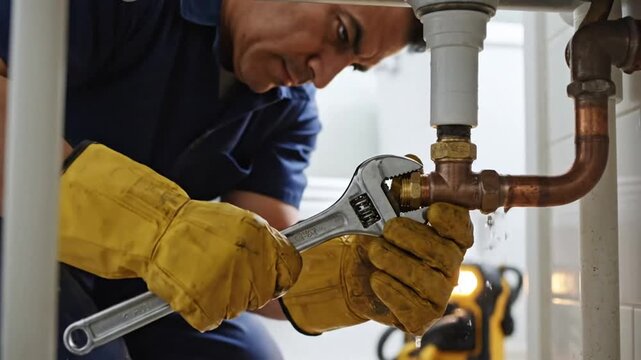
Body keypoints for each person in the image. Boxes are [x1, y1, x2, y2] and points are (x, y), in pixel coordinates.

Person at [0, 0, 474, 359]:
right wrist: (155, 228)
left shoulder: (291, 112)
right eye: (341, 32)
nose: (323, 76)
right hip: (19, 245)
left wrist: (346, 277)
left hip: (134, 286)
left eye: (351, 65)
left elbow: (265, 251)